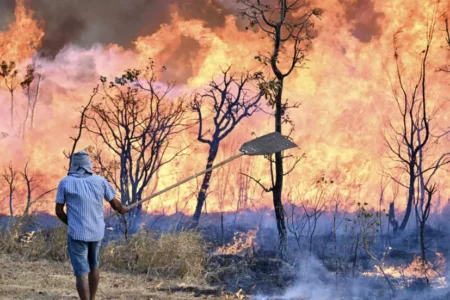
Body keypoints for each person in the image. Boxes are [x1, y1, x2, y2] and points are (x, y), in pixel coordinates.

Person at [55, 150, 128, 300]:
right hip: (96, 232)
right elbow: (116, 205)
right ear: (89, 165)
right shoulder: (100, 181)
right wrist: (123, 209)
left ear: (73, 165)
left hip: (77, 233)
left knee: (81, 272)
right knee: (94, 266)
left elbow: (59, 211)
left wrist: (72, 223)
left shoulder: (65, 182)